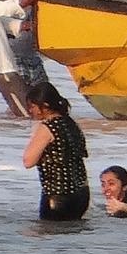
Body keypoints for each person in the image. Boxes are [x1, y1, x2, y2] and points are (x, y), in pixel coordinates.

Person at [23, 82, 90, 221]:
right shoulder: (71, 124)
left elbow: (28, 161)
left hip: (58, 195)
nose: (30, 111)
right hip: (82, 194)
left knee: (48, 237)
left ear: (45, 106)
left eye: (32, 106)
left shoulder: (48, 127)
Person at [11, 0, 59, 90]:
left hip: (32, 54)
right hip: (17, 54)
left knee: (43, 91)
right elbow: (22, 2)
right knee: (23, 95)